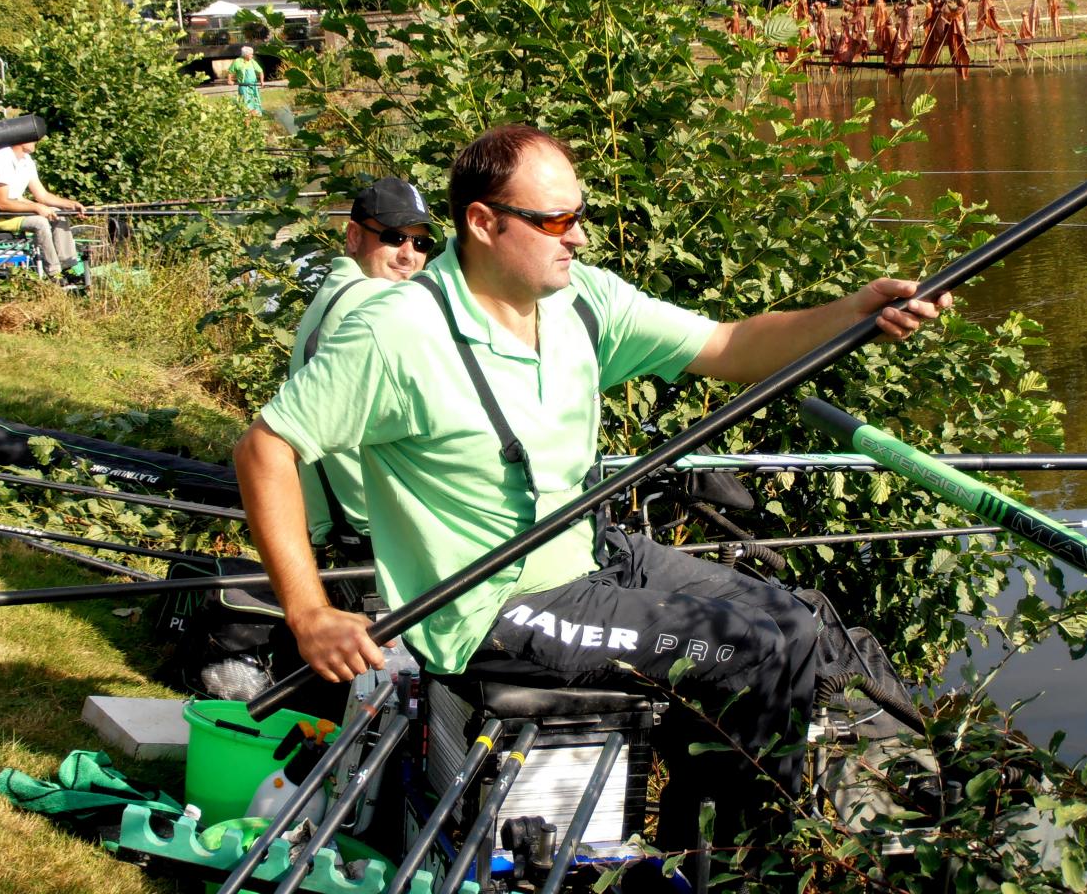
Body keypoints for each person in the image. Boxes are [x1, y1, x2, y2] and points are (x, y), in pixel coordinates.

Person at [234, 125, 950, 863]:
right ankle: (751, 866)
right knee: (760, 649)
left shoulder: (582, 302)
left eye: (579, 216)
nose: (577, 238)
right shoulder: (398, 334)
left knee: (805, 619)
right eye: (556, 222)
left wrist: (855, 314)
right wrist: (310, 612)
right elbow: (266, 448)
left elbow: (731, 345)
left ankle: (756, 843)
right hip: (492, 610)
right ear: (483, 223)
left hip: (586, 558)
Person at [290, 176, 436, 563]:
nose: (409, 255)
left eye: (421, 243)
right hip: (378, 530)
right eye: (393, 237)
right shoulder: (379, 302)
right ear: (354, 236)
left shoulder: (334, 293)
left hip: (337, 525)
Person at [0, 138, 85, 279]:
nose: (35, 142)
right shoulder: (1, 160)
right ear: (20, 140)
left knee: (58, 214)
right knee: (40, 222)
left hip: (11, 209)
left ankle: (68, 267)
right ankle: (54, 274)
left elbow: (42, 195)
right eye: (31, 139)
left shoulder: (26, 160)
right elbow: (2, 203)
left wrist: (70, 204)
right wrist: (36, 207)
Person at [228, 46, 264, 114]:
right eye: (250, 54)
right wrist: (229, 80)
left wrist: (262, 81)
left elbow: (260, 71)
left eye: (252, 54)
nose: (252, 56)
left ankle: (257, 114)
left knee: (255, 100)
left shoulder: (252, 62)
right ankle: (246, 114)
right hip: (243, 86)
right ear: (245, 54)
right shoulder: (237, 61)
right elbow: (230, 72)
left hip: (253, 86)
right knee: (245, 101)